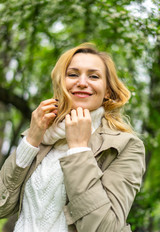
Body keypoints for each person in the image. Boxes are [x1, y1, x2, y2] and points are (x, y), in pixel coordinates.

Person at [0, 43, 145, 232]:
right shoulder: (43, 136)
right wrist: (31, 140)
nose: (82, 82)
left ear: (108, 91)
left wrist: (78, 149)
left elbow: (106, 228)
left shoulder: (126, 146)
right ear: (61, 83)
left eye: (93, 76)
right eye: (73, 74)